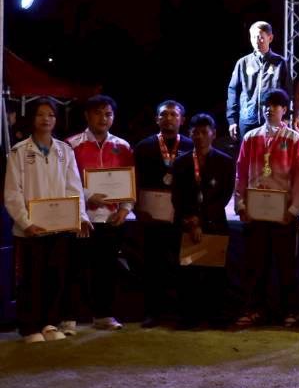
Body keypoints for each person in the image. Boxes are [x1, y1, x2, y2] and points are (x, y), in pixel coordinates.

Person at [4, 97, 91, 343]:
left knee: (55, 276)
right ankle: (29, 327)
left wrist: (80, 216)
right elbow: (12, 193)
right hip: (31, 229)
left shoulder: (65, 150)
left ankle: (50, 322)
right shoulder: (19, 151)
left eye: (51, 114)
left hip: (60, 227)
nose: (46, 119)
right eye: (41, 114)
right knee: (31, 278)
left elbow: (74, 187)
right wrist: (26, 222)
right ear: (32, 118)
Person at [234, 89, 299, 328]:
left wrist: (294, 209)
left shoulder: (294, 139)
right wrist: (240, 204)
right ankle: (254, 309)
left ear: (284, 110)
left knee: (286, 265)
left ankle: (291, 310)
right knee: (255, 264)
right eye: (266, 105)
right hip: (255, 211)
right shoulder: (251, 137)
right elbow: (241, 172)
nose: (269, 109)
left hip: (283, 213)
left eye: (275, 105)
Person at [67, 94, 133, 332]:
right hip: (80, 218)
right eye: (98, 113)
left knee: (106, 270)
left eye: (108, 114)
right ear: (87, 115)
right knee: (75, 269)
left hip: (111, 219)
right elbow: (66, 180)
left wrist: (125, 209)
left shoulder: (123, 146)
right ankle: (69, 318)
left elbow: (130, 181)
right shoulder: (71, 145)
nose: (103, 118)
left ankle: (103, 315)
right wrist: (87, 196)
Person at [172, 114, 235, 328]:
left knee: (215, 273)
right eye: (195, 132)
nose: (199, 136)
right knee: (189, 272)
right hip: (188, 224)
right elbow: (177, 196)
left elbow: (224, 195)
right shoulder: (180, 162)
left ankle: (215, 316)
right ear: (189, 134)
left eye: (204, 132)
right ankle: (189, 317)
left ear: (213, 134)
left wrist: (202, 220)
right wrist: (191, 220)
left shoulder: (225, 162)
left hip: (215, 223)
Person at [133, 100, 192, 327]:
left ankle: (182, 312)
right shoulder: (143, 147)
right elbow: (134, 181)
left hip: (181, 216)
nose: (169, 119)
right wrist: (138, 209)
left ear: (182, 120)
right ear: (156, 119)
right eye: (164, 114)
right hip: (152, 217)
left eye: (174, 115)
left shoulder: (190, 145)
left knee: (183, 264)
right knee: (152, 265)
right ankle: (152, 312)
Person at [226, 21, 289, 141]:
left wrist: (286, 117)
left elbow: (287, 92)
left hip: (272, 118)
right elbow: (233, 91)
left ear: (270, 38)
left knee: (271, 152)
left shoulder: (280, 62)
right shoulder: (243, 63)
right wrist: (232, 120)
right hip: (247, 119)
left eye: (260, 37)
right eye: (253, 37)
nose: (256, 41)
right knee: (247, 151)